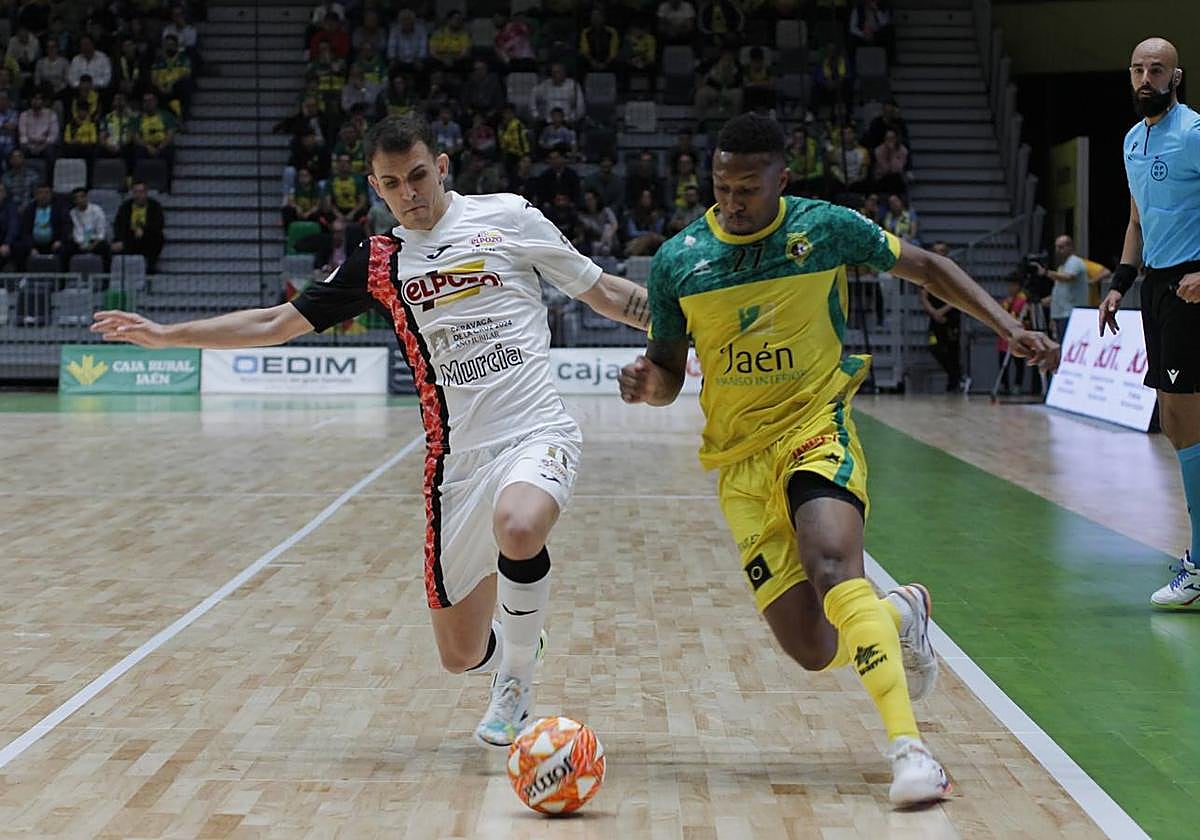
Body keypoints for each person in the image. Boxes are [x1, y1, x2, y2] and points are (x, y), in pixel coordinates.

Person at [91, 113, 651, 749]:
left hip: (535, 429)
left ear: (441, 168)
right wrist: (169, 335)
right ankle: (518, 640)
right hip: (456, 467)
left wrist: (683, 333)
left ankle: (518, 680)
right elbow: (276, 323)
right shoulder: (380, 261)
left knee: (519, 526)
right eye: (393, 184)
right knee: (459, 656)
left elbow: (602, 290)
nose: (410, 193)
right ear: (375, 188)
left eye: (418, 176)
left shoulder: (511, 217)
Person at [618, 114, 1058, 805]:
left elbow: (928, 267)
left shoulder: (823, 229)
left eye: (748, 189)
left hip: (813, 426)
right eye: (722, 187)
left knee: (831, 566)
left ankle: (911, 753)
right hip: (739, 463)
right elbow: (670, 368)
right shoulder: (680, 260)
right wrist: (649, 386)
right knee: (814, 648)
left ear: (781, 181)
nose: (733, 202)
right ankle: (900, 614)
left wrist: (1007, 326)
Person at [1099, 37, 1200, 609]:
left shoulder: (1193, 134)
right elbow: (1137, 218)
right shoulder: (1133, 141)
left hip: (1193, 286)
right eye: (1137, 68)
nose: (1145, 77)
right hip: (1158, 286)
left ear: (1175, 76)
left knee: (1186, 420)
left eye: (1156, 69)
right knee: (1176, 422)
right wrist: (1119, 284)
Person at [920, 242, 963, 391]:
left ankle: (954, 382)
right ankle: (954, 375)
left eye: (942, 251)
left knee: (952, 349)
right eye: (936, 251)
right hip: (935, 317)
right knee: (934, 346)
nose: (939, 254)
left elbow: (958, 296)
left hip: (951, 317)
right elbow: (924, 295)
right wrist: (933, 312)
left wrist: (943, 311)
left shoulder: (953, 271)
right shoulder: (928, 271)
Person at [1037, 234, 1088, 340]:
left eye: (1061, 247)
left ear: (1070, 247)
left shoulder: (1075, 261)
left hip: (1070, 312)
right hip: (1060, 313)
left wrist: (1046, 273)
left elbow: (1068, 277)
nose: (1058, 250)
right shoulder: (1061, 267)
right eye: (1057, 247)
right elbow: (1060, 291)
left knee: (1069, 341)